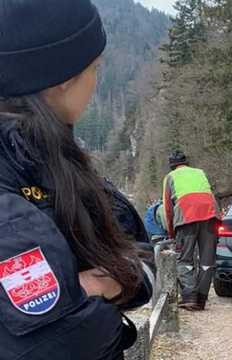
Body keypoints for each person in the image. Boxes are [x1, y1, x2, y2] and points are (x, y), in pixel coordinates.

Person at [0, 1, 154, 358]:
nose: (96, 82)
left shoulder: (61, 162)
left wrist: (87, 288)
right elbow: (62, 340)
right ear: (64, 81)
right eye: (95, 69)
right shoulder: (18, 176)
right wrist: (102, 295)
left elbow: (144, 261)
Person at [163, 150, 219, 311]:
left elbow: (168, 208)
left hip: (187, 216)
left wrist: (171, 233)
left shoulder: (170, 177)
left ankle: (189, 297)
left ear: (171, 165)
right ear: (186, 163)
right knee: (207, 261)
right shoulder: (200, 172)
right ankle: (201, 298)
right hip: (211, 215)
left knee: (184, 259)